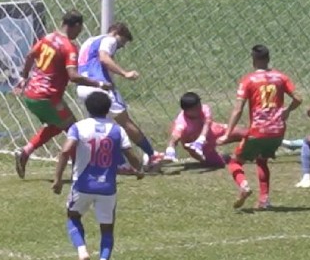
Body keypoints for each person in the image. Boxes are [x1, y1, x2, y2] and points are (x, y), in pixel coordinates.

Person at [52, 90, 145, 260]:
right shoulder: (117, 130)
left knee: (73, 216)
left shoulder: (79, 127)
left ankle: (83, 252)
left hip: (83, 185)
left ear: (87, 108)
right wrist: (138, 170)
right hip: (107, 188)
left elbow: (66, 150)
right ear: (108, 109)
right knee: (107, 229)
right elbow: (131, 155)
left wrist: (58, 179)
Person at [14, 10, 110, 179]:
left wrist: (23, 77)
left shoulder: (48, 38)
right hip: (48, 97)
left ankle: (25, 152)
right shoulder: (69, 47)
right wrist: (99, 84)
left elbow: (30, 55)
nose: (79, 33)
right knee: (74, 130)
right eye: (80, 29)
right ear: (77, 25)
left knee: (57, 125)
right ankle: (80, 172)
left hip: (31, 95)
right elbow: (73, 76)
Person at [224, 44, 302, 210]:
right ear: (268, 58)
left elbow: (238, 110)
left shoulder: (248, 80)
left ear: (253, 60)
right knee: (262, 160)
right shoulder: (281, 77)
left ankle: (244, 186)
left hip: (258, 131)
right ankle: (264, 200)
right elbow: (298, 98)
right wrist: (287, 110)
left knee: (234, 162)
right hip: (277, 131)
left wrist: (228, 133)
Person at [77, 21, 162, 170]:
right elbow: (103, 57)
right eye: (122, 42)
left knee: (101, 125)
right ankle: (152, 155)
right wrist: (125, 73)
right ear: (116, 33)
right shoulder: (109, 39)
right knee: (125, 122)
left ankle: (116, 163)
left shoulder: (89, 41)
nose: (120, 46)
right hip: (101, 87)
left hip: (84, 87)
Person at [163, 91, 230, 168]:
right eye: (196, 108)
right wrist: (170, 151)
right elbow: (174, 137)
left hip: (211, 130)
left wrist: (200, 140)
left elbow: (207, 124)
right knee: (217, 163)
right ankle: (217, 157)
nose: (200, 109)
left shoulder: (204, 108)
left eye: (199, 105)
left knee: (242, 132)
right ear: (187, 111)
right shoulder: (181, 123)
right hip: (193, 144)